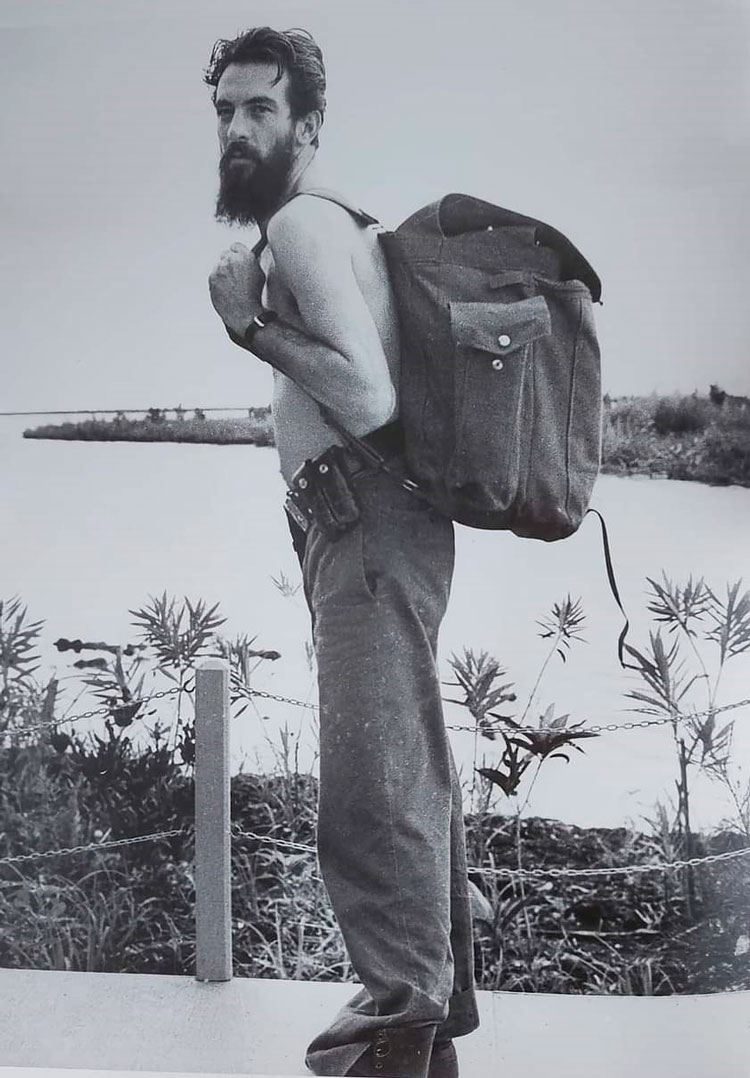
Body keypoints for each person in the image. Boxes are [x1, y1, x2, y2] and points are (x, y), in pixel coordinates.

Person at [206, 27, 479, 1078]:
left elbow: (368, 398)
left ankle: (395, 1035)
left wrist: (247, 328)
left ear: (307, 126)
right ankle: (425, 1031)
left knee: (372, 796)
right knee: (403, 774)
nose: (236, 128)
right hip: (363, 527)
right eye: (226, 109)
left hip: (364, 520)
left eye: (259, 109)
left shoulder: (305, 225)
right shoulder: (322, 227)